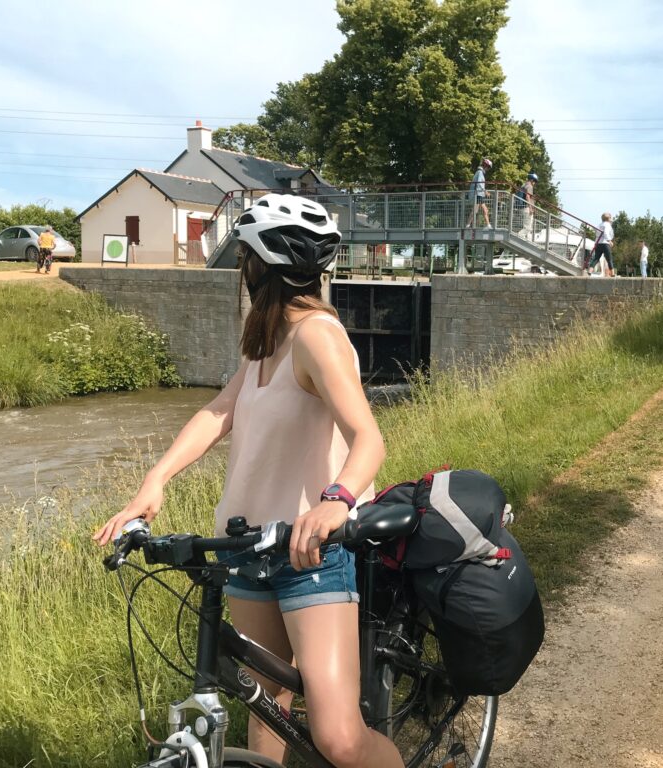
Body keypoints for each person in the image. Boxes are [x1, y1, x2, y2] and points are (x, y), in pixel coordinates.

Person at [94, 194, 403, 768]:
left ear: (255, 264)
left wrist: (336, 501)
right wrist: (154, 480)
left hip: (311, 553)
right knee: (269, 706)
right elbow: (218, 412)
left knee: (338, 738)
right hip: (247, 549)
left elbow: (369, 438)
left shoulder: (317, 336)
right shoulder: (267, 345)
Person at [465, 158, 493, 228]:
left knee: (482, 210)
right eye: (488, 167)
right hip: (477, 194)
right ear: (486, 166)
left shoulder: (479, 172)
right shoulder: (480, 172)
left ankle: (487, 225)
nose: (488, 169)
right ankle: (468, 225)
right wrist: (485, 191)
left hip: (478, 194)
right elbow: (479, 184)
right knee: (477, 210)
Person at [514, 172, 538, 238]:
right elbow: (527, 197)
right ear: (532, 180)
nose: (535, 183)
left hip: (521, 208)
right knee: (527, 228)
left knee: (528, 228)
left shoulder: (523, 185)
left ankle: (525, 239)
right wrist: (530, 208)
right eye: (535, 181)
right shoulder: (529, 186)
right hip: (526, 208)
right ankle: (518, 237)